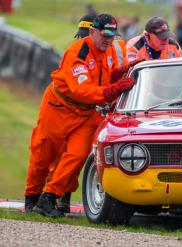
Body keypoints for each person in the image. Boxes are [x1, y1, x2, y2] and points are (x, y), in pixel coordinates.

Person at [24, 13, 136, 218]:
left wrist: (123, 72)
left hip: (85, 112)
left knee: (77, 155)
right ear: (92, 32)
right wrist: (112, 91)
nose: (109, 40)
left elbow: (106, 75)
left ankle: (49, 197)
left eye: (112, 36)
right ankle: (31, 196)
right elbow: (80, 90)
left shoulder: (109, 48)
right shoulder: (78, 53)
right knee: (43, 154)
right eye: (105, 35)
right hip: (59, 107)